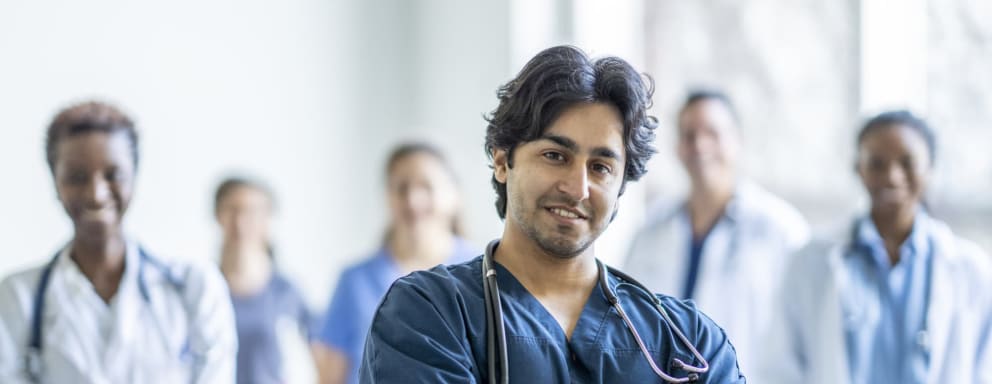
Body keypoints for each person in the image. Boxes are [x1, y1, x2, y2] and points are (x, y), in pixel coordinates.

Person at [359, 45, 744, 383]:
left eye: (600, 167)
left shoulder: (688, 343)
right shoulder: (428, 316)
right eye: (555, 156)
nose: (577, 188)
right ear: (502, 162)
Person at [0, 101, 237, 383]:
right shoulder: (17, 298)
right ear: (55, 182)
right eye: (77, 177)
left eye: (113, 175)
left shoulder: (195, 287)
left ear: (134, 177)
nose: (97, 193)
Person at [761, 110, 992, 383]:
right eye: (877, 163)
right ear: (858, 168)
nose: (893, 176)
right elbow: (781, 368)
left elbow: (984, 368)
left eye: (908, 162)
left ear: (930, 168)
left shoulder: (969, 269)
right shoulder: (810, 261)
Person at [623, 89, 809, 378]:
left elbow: (804, 337)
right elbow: (628, 316)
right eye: (689, 135)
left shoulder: (780, 230)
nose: (700, 145)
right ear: (677, 147)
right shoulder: (652, 228)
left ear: (737, 141)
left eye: (712, 133)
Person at [315, 143, 477, 384]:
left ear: (454, 195)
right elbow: (330, 377)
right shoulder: (354, 281)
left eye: (426, 186)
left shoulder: (483, 275)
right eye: (401, 188)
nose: (413, 199)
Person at [215, 177, 319, 384]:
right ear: (218, 215)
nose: (240, 222)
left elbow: (323, 359)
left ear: (267, 219)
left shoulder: (287, 293)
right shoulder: (203, 289)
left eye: (251, 212)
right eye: (232, 210)